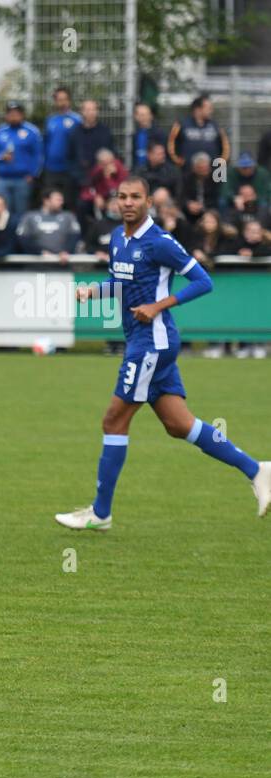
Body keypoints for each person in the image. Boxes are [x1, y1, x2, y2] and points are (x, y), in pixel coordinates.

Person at [57, 175, 271, 530]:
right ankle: (257, 470)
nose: (127, 202)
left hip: (150, 344)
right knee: (178, 424)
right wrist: (94, 291)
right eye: (122, 196)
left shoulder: (160, 242)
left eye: (135, 197)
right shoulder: (117, 238)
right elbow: (122, 284)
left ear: (147, 203)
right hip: (146, 342)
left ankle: (100, 512)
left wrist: (159, 305)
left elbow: (204, 281)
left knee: (114, 419)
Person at [0, 101, 43, 216]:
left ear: (22, 114)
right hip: (2, 179)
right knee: (2, 212)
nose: (13, 116)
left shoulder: (32, 131)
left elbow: (38, 155)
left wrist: (33, 174)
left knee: (21, 212)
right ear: (6, 115)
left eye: (16, 113)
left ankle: (20, 234)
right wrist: (1, 156)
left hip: (23, 179)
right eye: (10, 113)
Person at [42, 87, 82, 209]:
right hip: (51, 169)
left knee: (68, 202)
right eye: (59, 100)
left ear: (69, 101)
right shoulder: (50, 120)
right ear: (55, 102)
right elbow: (46, 142)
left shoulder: (77, 119)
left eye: (65, 99)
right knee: (51, 202)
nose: (62, 102)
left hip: (69, 169)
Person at [168, 95, 230, 171]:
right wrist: (180, 162)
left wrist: (220, 163)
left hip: (212, 173)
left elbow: (225, 148)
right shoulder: (181, 125)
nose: (211, 111)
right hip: (187, 172)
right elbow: (170, 145)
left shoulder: (216, 126)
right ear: (197, 109)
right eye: (209, 108)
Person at [16, 188, 81, 259]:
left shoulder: (69, 216)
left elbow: (74, 237)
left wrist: (67, 251)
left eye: (62, 200)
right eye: (58, 200)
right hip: (36, 262)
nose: (61, 202)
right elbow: (23, 239)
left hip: (62, 262)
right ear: (46, 201)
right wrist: (39, 252)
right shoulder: (29, 216)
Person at [130, 102, 168, 170]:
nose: (143, 118)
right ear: (135, 116)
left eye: (145, 114)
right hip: (138, 170)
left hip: (155, 171)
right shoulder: (135, 134)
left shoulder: (160, 134)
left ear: (151, 116)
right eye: (140, 115)